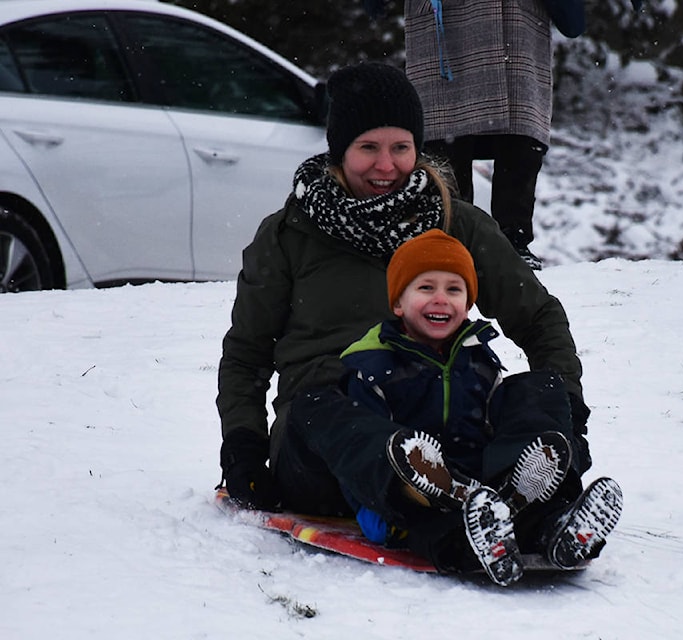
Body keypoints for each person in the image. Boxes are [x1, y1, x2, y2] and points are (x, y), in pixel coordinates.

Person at [215, 62, 616, 584]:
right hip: (328, 445)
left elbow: (538, 317)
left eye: (401, 147)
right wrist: (243, 445)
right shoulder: (290, 233)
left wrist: (566, 404)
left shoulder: (454, 223)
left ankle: (542, 511)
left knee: (536, 390)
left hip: (444, 425)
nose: (387, 165)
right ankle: (453, 527)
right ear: (340, 150)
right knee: (322, 408)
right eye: (368, 148)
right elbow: (247, 351)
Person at [327, 228, 622, 585]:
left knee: (540, 386)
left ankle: (554, 524)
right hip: (412, 499)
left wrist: (552, 437)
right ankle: (476, 542)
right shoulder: (373, 367)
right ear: (398, 303)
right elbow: (360, 456)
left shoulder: (479, 359)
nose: (441, 299)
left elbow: (496, 421)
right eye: (425, 288)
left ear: (468, 305)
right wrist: (386, 506)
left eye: (454, 290)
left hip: (481, 486)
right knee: (438, 524)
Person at [368, 0, 559, 269]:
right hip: (445, 23)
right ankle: (449, 238)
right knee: (444, 143)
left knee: (521, 139)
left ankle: (513, 242)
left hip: (517, 23)